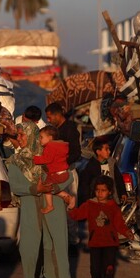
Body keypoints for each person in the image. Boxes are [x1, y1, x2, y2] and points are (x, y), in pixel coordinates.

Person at [5, 121, 74, 278]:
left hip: (53, 209)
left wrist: (57, 189)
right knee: (28, 249)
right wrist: (36, 187)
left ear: (34, 135)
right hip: (30, 210)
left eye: (22, 134)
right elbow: (16, 186)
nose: (19, 138)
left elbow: (67, 175)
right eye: (17, 135)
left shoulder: (49, 153)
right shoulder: (15, 162)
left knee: (51, 249)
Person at [68, 175, 134, 278]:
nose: (100, 193)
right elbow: (77, 215)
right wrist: (71, 206)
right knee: (95, 271)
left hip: (110, 243)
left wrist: (127, 232)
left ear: (109, 192)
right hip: (95, 244)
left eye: (103, 190)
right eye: (97, 190)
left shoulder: (113, 206)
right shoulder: (89, 204)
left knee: (109, 269)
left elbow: (119, 223)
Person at [44, 102, 82, 249]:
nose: (48, 120)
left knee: (70, 207)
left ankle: (73, 241)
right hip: (55, 174)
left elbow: (76, 153)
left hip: (67, 174)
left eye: (49, 117)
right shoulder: (54, 130)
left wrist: (61, 163)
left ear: (57, 115)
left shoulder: (70, 130)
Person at [32, 125, 75, 214]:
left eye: (41, 137)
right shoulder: (61, 146)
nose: (39, 140)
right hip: (63, 172)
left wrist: (34, 159)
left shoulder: (50, 146)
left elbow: (47, 159)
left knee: (46, 188)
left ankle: (49, 206)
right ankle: (68, 197)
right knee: (53, 189)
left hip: (56, 174)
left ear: (50, 138)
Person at [79, 138, 127, 205]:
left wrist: (123, 192)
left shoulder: (111, 163)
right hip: (97, 200)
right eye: (106, 149)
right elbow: (85, 185)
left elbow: (118, 178)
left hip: (111, 197)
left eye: (109, 149)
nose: (109, 152)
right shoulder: (91, 166)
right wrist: (87, 200)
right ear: (98, 152)